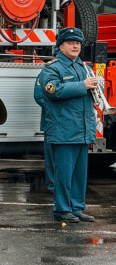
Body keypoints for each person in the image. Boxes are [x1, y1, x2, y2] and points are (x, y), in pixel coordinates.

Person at [38, 27, 97, 223]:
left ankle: (77, 208)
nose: (75, 46)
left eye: (78, 43)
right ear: (61, 46)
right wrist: (83, 85)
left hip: (82, 129)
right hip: (64, 130)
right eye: (71, 43)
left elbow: (91, 94)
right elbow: (52, 90)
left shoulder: (84, 67)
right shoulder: (52, 68)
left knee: (80, 174)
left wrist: (99, 85)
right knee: (63, 174)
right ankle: (63, 209)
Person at [34, 47, 59, 193]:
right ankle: (53, 186)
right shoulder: (47, 71)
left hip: (68, 123)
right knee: (52, 158)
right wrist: (58, 109)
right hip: (51, 122)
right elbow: (39, 96)